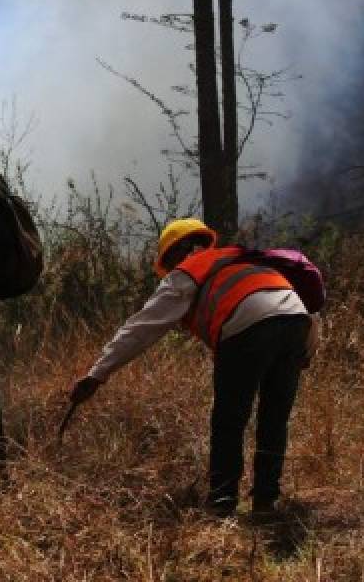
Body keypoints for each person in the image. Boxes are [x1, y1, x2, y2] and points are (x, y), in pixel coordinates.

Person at [69, 218, 318, 518]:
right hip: (297, 322)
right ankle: (266, 502)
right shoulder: (241, 257)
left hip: (247, 327)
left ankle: (222, 502)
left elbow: (139, 329)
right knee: (274, 418)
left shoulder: (185, 274)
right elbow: (304, 307)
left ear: (173, 256)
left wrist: (97, 374)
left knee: (229, 420)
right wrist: (305, 352)